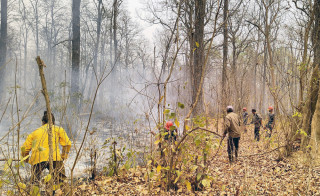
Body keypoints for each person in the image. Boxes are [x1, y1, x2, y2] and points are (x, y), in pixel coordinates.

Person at [21, 111, 72, 186]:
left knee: (35, 181)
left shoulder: (34, 132)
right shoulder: (58, 129)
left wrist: (26, 159)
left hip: (38, 159)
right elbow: (67, 144)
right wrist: (63, 156)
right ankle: (64, 193)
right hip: (55, 158)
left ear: (42, 122)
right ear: (53, 122)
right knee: (61, 180)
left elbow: (24, 148)